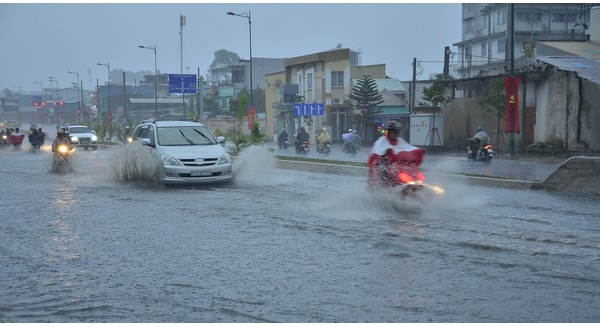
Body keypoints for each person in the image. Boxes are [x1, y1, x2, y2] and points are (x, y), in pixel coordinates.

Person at [368, 120, 424, 187]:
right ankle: (386, 188)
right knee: (385, 173)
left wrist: (417, 152)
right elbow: (377, 152)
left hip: (398, 166)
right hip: (384, 166)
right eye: (394, 132)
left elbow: (408, 148)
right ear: (389, 132)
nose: (396, 134)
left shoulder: (399, 141)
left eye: (397, 132)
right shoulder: (382, 141)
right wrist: (385, 153)